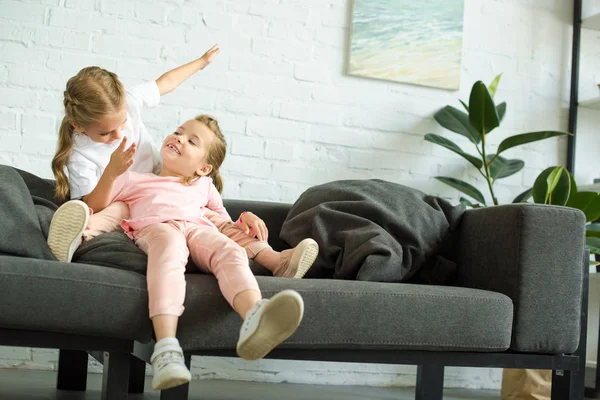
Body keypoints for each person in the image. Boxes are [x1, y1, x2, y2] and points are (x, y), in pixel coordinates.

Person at [47, 45, 318, 278]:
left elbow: (165, 82)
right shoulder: (79, 154)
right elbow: (90, 204)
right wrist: (111, 174)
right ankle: (75, 238)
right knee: (108, 213)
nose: (119, 135)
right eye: (105, 133)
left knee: (213, 222)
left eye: (122, 125)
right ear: (79, 126)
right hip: (130, 199)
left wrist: (200, 63)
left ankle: (278, 261)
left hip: (168, 192)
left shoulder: (129, 103)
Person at [82, 115, 305, 390]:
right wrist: (112, 172)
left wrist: (245, 217)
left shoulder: (204, 186)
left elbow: (224, 221)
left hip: (198, 229)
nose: (178, 138)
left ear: (203, 168)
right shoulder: (136, 180)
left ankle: (255, 317)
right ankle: (166, 348)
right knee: (169, 252)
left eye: (191, 140)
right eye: (178, 131)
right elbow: (93, 203)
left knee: (230, 251)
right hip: (158, 227)